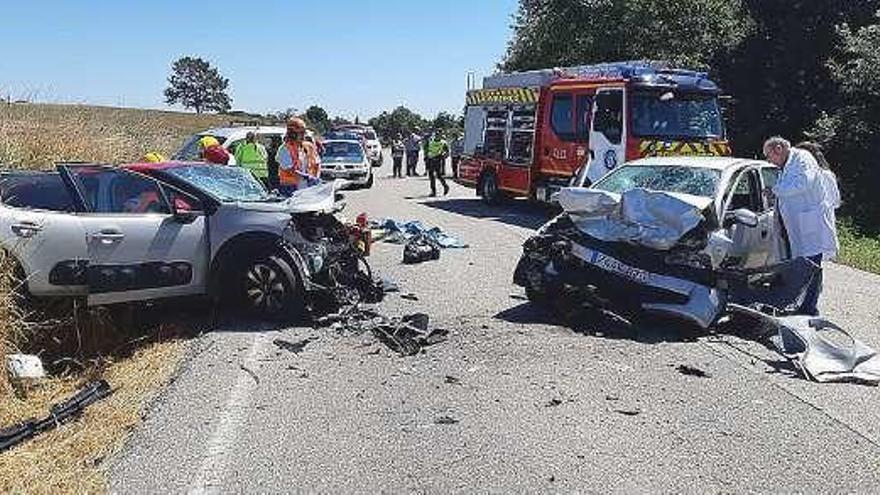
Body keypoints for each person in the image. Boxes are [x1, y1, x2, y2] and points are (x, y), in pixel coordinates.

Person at [763, 136, 835, 315]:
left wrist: (776, 190)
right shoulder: (787, 164)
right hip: (799, 225)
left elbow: (804, 183)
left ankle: (810, 307)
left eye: (768, 155)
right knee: (803, 265)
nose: (768, 160)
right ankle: (802, 304)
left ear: (778, 149)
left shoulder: (802, 159)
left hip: (810, 223)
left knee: (811, 266)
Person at [797, 141, 841, 261]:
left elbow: (833, 201)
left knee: (810, 260)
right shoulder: (826, 174)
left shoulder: (817, 175)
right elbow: (836, 201)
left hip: (813, 222)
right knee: (812, 260)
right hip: (816, 222)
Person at [275, 118, 321, 196]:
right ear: (292, 134)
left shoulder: (309, 146)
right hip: (290, 188)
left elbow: (317, 164)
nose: (304, 135)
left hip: (309, 187)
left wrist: (316, 178)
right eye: (301, 133)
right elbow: (289, 169)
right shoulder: (284, 149)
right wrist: (306, 177)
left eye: (303, 133)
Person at [425, 131, 450, 197]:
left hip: (437, 159)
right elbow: (426, 148)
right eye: (437, 134)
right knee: (431, 175)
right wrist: (426, 156)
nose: (438, 136)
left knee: (438, 175)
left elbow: (447, 152)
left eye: (439, 134)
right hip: (430, 159)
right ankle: (433, 191)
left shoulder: (443, 142)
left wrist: (443, 156)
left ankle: (445, 186)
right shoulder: (431, 140)